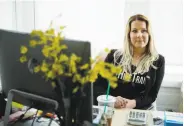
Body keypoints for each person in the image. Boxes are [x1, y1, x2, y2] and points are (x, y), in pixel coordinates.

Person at [93, 14, 165, 110]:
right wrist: (112, 100)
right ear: (129, 34)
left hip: (140, 111)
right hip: (113, 108)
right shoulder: (114, 56)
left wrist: (133, 103)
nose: (139, 35)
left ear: (149, 34)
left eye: (144, 31)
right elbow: (98, 85)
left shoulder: (158, 61)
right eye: (134, 31)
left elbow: (152, 95)